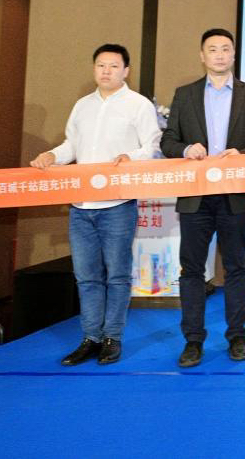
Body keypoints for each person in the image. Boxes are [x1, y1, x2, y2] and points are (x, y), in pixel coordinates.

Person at [32, 44, 161, 366]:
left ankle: (112, 338)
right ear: (94, 69)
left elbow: (153, 146)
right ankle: (90, 337)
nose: (106, 71)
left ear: (126, 71)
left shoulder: (138, 104)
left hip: (118, 204)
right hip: (81, 206)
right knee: (86, 277)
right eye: (101, 65)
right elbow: (71, 146)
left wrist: (132, 157)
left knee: (117, 275)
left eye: (113, 66)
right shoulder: (82, 105)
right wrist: (52, 156)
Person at [161, 28, 245, 368]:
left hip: (234, 195)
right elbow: (168, 141)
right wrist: (185, 149)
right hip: (196, 196)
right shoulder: (185, 95)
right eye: (213, 49)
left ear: (234, 55)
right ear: (202, 55)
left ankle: (237, 336)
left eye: (226, 49)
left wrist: (242, 154)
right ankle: (193, 341)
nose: (220, 55)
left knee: (236, 267)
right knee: (192, 270)